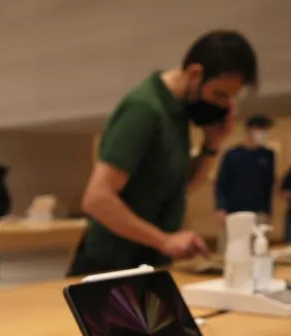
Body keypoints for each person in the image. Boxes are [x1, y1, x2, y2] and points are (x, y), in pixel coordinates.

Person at [69, 30, 258, 275]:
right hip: (110, 265)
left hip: (147, 262)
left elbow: (183, 186)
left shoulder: (177, 113)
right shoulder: (144, 109)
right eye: (219, 95)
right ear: (195, 74)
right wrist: (165, 240)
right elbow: (97, 198)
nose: (222, 106)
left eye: (229, 99)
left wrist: (212, 144)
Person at [215, 114, 275, 222]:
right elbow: (222, 181)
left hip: (258, 209)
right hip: (233, 208)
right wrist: (220, 206)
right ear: (249, 130)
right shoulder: (232, 154)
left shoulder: (267, 155)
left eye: (265, 130)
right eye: (260, 129)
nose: (264, 133)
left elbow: (269, 184)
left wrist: (268, 209)